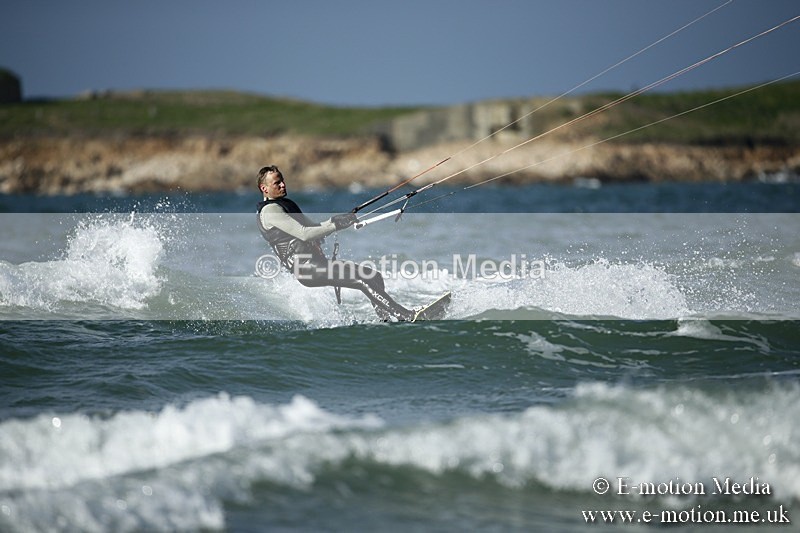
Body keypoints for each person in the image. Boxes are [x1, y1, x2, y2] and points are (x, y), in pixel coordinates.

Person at [256, 165, 416, 321]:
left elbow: (314, 228)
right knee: (362, 281)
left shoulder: (286, 204)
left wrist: (337, 220)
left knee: (374, 277)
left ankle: (386, 320)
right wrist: (335, 225)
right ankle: (405, 315)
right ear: (264, 188)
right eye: (277, 183)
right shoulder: (270, 211)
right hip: (306, 268)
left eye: (282, 180)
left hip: (317, 263)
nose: (283, 184)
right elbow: (304, 234)